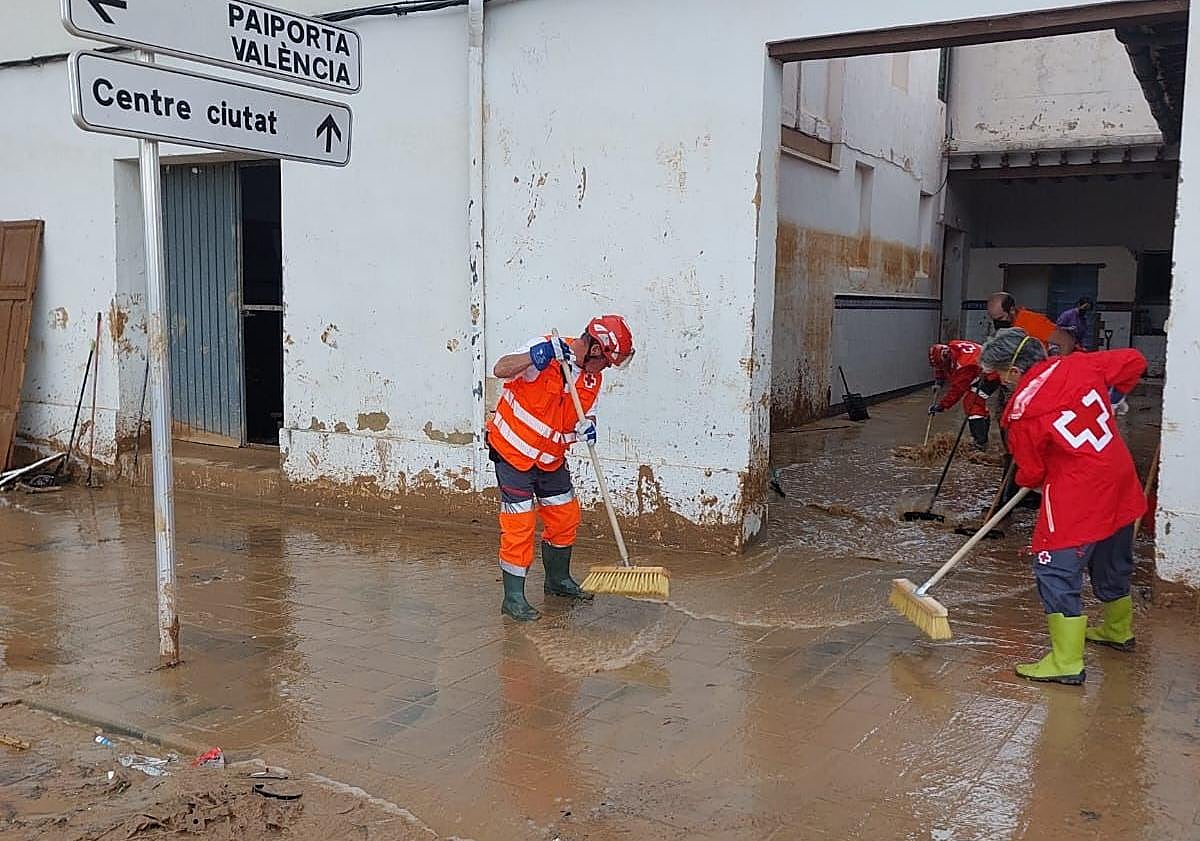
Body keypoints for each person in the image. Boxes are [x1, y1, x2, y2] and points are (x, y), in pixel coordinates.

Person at [980, 328, 1147, 685]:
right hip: (1117, 476)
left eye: (999, 375)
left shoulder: (1022, 412)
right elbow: (1135, 361)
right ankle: (1118, 630)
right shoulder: (1079, 365)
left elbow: (1031, 474)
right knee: (1111, 556)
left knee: (1054, 569)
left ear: (1011, 371)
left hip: (1078, 495)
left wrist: (1032, 475)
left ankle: (1066, 662)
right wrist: (1112, 397)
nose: (1002, 383)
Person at [486, 315, 636, 621]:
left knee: (565, 515)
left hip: (550, 458)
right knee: (520, 523)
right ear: (594, 348)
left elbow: (587, 412)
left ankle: (558, 581)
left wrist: (588, 427)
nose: (606, 367)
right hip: (512, 452)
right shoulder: (547, 351)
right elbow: (501, 369)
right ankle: (513, 598)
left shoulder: (593, 378)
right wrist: (535, 356)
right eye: (605, 360)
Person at [926, 340, 996, 449]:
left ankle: (979, 443)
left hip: (991, 374)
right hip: (983, 366)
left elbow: (957, 391)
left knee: (972, 402)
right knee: (976, 403)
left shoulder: (964, 365)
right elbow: (941, 366)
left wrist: (942, 406)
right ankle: (983, 437)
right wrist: (939, 379)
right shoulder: (952, 346)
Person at [987, 292, 1057, 344]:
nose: (997, 323)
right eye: (994, 319)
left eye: (1000, 318)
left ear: (1012, 310)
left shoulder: (1033, 321)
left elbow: (1065, 342)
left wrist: (1062, 363)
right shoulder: (1006, 326)